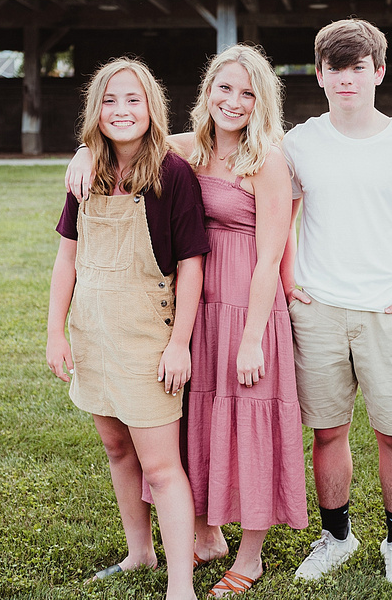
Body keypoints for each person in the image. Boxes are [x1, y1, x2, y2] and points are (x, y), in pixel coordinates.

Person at [66, 45, 308, 597]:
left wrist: (252, 339)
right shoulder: (185, 149)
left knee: (248, 420)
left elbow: (271, 255)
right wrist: (80, 155)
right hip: (193, 306)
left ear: (261, 102)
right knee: (198, 420)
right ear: (207, 93)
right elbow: (120, 141)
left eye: (247, 92)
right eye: (224, 88)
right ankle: (206, 536)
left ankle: (249, 556)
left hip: (248, 305)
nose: (234, 101)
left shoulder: (267, 160)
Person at [282, 19, 392, 597]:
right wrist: (285, 278)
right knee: (327, 433)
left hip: (387, 310)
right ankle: (337, 535)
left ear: (379, 71)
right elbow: (283, 214)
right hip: (319, 308)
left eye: (359, 67)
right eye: (335, 67)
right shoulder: (299, 142)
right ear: (320, 74)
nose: (346, 78)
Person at [47, 58, 208, 600]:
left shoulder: (173, 173)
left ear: (152, 108)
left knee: (162, 467)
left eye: (133, 100)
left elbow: (191, 265)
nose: (121, 111)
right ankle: (139, 553)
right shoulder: (86, 171)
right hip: (93, 331)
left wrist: (179, 343)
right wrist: (55, 333)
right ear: (96, 109)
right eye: (110, 101)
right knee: (117, 449)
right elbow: (66, 259)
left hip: (147, 335)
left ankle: (180, 585)